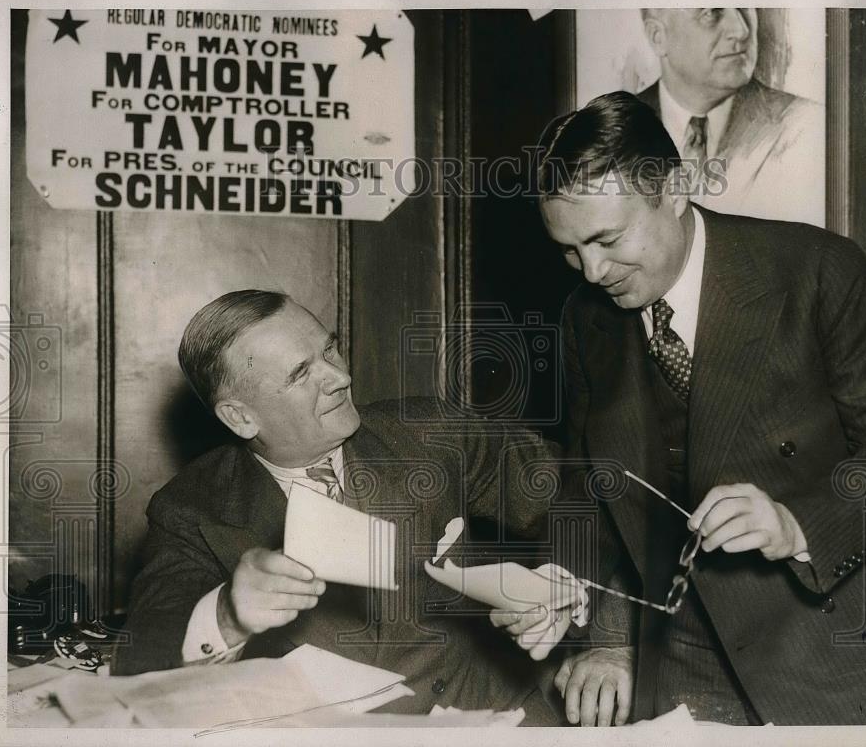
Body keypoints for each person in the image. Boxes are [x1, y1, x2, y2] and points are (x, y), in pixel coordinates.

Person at [495, 91, 866, 726]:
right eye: (570, 251)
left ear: (676, 188)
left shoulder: (819, 270)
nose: (593, 271)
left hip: (858, 636)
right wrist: (599, 628)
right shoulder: (586, 319)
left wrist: (796, 524)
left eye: (607, 239)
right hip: (692, 644)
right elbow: (587, 489)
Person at [112, 290, 572, 724]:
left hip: (492, 718)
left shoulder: (432, 433)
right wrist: (229, 615)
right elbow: (141, 658)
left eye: (329, 351)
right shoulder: (192, 507)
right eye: (300, 374)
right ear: (241, 417)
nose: (341, 378)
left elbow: (585, 496)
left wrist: (559, 589)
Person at [638, 8, 824, 225]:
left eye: (745, 8)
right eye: (711, 13)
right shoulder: (618, 128)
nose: (741, 30)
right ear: (657, 37)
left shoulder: (807, 124)